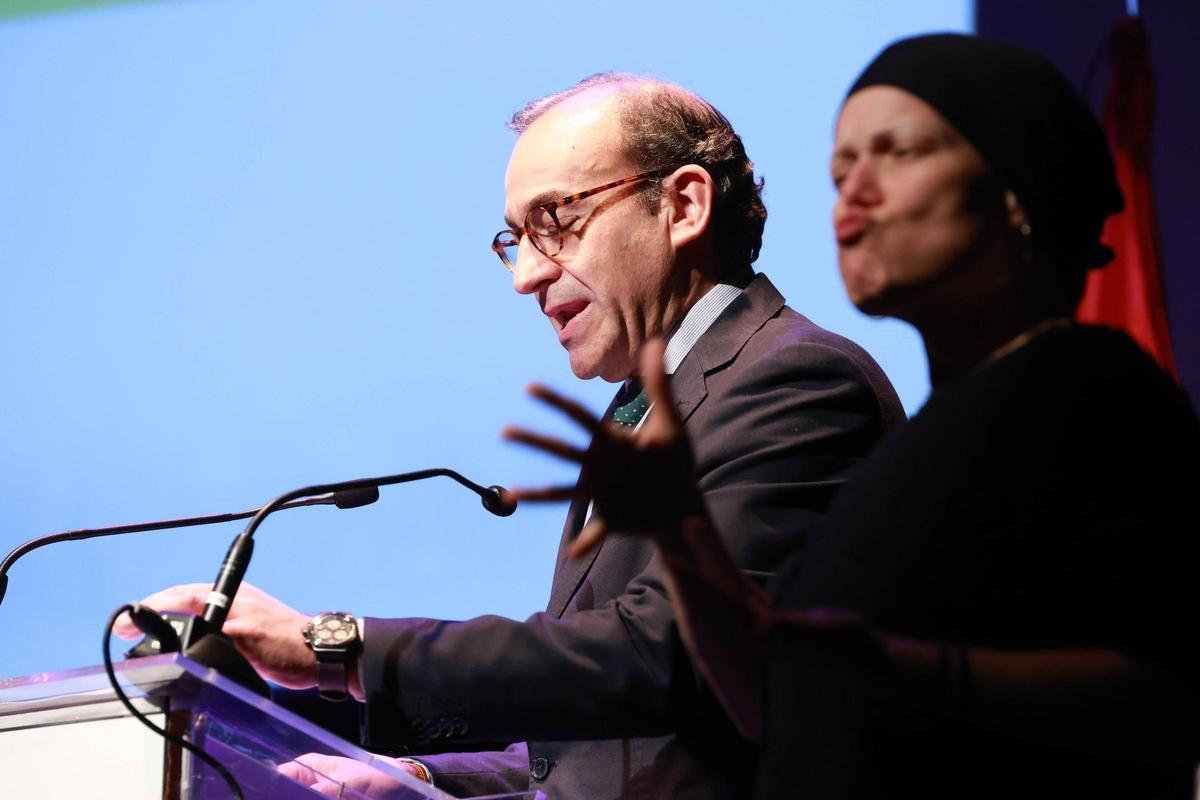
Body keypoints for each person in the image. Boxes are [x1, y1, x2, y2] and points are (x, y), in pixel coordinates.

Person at [116, 73, 903, 799]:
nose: (525, 275)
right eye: (515, 239)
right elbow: (617, 741)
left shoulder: (794, 381)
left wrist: (339, 646)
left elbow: (666, 655)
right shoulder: (645, 404)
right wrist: (420, 781)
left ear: (684, 206)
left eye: (555, 222)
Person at [511, 36, 1200, 799]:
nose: (853, 192)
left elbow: (1169, 692)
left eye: (896, 154)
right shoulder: (934, 440)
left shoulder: (1089, 393)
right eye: (841, 169)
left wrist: (902, 671)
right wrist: (682, 538)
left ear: (1015, 188)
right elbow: (769, 706)